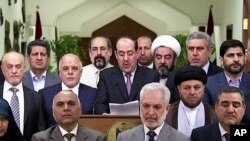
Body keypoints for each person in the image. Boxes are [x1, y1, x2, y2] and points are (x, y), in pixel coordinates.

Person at [94, 37, 159, 114]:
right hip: (114, 124)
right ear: (116, 55)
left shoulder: (151, 76)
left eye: (130, 53)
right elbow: (99, 104)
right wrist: (105, 115)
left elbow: (155, 104)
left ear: (137, 53)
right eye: (121, 54)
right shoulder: (106, 76)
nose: (125, 59)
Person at [39, 53, 97, 127]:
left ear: (81, 72)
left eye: (74, 68)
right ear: (59, 72)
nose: (70, 72)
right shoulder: (44, 95)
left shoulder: (94, 94)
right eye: (65, 68)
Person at [116, 82, 189, 141]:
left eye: (157, 107)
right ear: (139, 106)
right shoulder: (124, 138)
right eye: (146, 106)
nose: (151, 113)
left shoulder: (181, 139)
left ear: (167, 109)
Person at [0, 51, 46, 141]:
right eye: (9, 67)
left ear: (24, 69)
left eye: (18, 66)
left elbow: (41, 130)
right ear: (2, 69)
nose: (14, 71)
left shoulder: (36, 97)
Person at [166, 31, 223, 103]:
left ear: (210, 51)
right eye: (191, 49)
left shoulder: (221, 74)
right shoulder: (174, 76)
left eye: (199, 48)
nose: (195, 53)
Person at [31, 90, 106, 141]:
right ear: (53, 111)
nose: (66, 108)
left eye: (71, 104)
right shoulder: (40, 139)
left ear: (80, 109)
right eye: (60, 104)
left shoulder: (97, 139)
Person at [165, 65, 216, 137]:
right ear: (179, 88)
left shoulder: (215, 114)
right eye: (187, 88)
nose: (192, 92)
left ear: (203, 88)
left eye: (197, 87)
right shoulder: (166, 114)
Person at [205, 39, 250, 105]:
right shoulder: (209, 84)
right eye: (231, 55)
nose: (236, 59)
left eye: (239, 55)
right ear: (221, 60)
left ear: (245, 58)